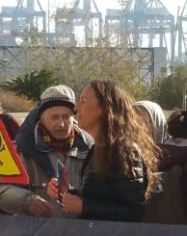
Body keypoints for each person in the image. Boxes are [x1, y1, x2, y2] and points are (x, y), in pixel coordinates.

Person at [47, 80, 158, 223]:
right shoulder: (98, 148)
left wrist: (83, 207)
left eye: (83, 101)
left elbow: (134, 211)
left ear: (104, 108)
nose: (76, 108)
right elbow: (101, 197)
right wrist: (67, 192)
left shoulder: (123, 150)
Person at [0, 85, 93, 218]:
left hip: (82, 233)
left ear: (74, 117)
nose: (61, 124)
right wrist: (27, 201)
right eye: (54, 117)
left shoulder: (90, 147)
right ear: (42, 118)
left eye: (66, 117)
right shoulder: (22, 149)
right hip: (36, 234)